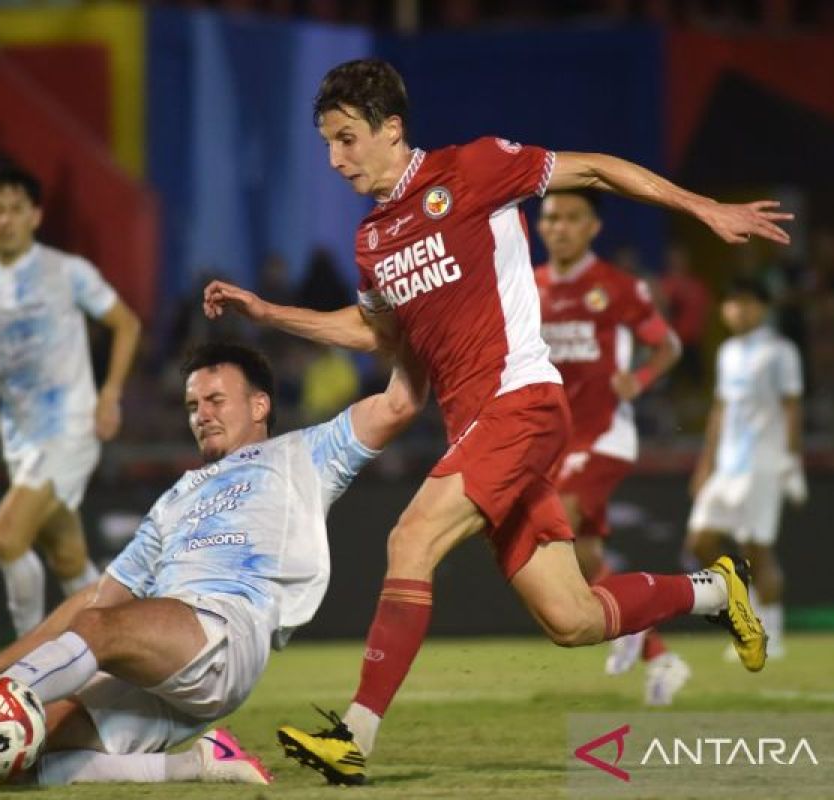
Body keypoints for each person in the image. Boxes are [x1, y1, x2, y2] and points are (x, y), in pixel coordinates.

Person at [202, 58, 790, 784]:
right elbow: (378, 336)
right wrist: (270, 314)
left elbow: (598, 172)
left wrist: (703, 207)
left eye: (347, 138)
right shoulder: (372, 241)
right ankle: (715, 590)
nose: (335, 158)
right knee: (572, 619)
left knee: (410, 535)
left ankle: (354, 734)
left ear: (391, 129)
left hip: (524, 403)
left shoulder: (474, 170)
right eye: (327, 142)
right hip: (479, 432)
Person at [0, 341, 427, 786]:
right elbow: (97, 600)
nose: (202, 415)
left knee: (90, 639)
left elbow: (400, 401)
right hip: (159, 655)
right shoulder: (176, 498)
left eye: (216, 400)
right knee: (11, 766)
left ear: (260, 405)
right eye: (194, 406)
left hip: (225, 631)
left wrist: (417, 316)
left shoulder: (306, 453)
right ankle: (204, 764)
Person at [0, 164, 141, 636]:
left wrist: (109, 395)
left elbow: (126, 324)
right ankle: (123, 655)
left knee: (6, 537)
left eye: (15, 209)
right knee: (68, 557)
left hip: (70, 428)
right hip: (20, 440)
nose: (5, 218)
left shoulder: (67, 272)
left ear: (35, 216)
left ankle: (25, 665)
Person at [533, 189, 687, 704]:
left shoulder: (616, 287)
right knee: (584, 558)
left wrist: (639, 380)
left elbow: (668, 344)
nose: (559, 227)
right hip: (554, 441)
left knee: (562, 520)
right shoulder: (527, 289)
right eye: (551, 218)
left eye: (572, 219)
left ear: (593, 227)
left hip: (604, 437)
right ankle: (658, 653)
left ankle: (655, 618)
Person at [687, 278, 805, 660]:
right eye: (731, 303)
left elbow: (791, 407)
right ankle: (744, 611)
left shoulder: (780, 352)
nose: (737, 310)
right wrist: (705, 465)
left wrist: (791, 460)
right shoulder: (726, 352)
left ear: (763, 307)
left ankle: (770, 633)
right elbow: (720, 410)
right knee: (700, 541)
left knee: (757, 550)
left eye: (746, 303)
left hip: (763, 464)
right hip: (727, 466)